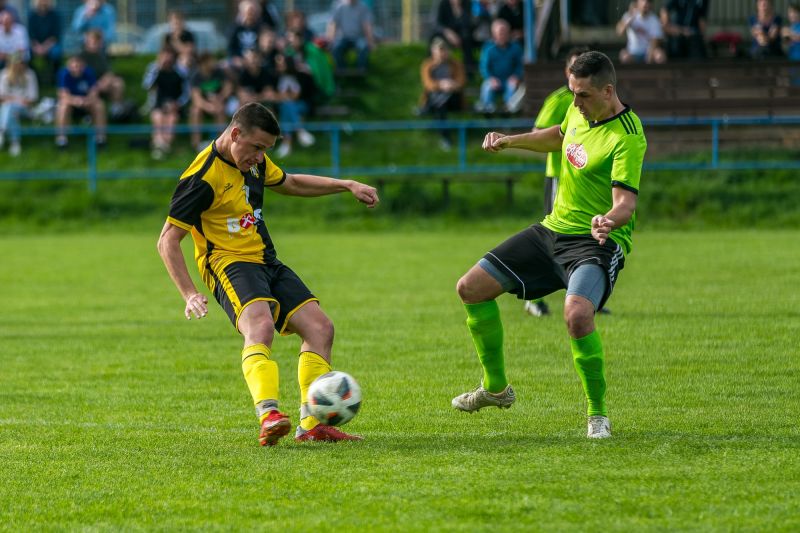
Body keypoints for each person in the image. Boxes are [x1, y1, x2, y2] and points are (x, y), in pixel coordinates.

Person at [156, 102, 379, 446]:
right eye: (257, 148)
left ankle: (312, 425)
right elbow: (168, 240)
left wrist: (345, 184)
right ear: (235, 134)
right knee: (260, 325)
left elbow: (290, 183)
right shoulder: (201, 178)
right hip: (227, 264)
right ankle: (269, 414)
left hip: (265, 259)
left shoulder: (253, 161)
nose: (260, 158)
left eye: (266, 150)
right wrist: (189, 293)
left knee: (320, 328)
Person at [452, 51, 646, 439]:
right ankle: (495, 389)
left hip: (595, 243)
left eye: (583, 95)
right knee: (470, 287)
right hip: (551, 231)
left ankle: (598, 415)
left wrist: (609, 219)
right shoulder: (579, 110)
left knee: (576, 316)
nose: (575, 102)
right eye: (573, 92)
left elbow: (626, 202)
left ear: (608, 91)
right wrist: (511, 141)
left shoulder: (627, 135)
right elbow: (559, 136)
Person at [522, 46, 588, 318]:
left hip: (586, 181)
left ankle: (587, 296)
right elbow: (539, 133)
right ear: (566, 72)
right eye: (575, 68)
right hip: (560, 178)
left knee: (586, 238)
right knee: (554, 239)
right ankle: (532, 296)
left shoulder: (597, 101)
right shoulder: (560, 100)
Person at [418, 37, 466, 151]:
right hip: (437, 98)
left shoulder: (455, 64)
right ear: (433, 51)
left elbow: (461, 81)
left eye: (444, 50)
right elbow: (427, 83)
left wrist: (450, 85)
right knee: (440, 104)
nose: (442, 53)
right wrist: (441, 84)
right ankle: (445, 138)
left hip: (453, 98)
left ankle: (445, 138)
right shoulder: (427, 65)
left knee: (440, 101)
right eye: (439, 50)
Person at [143, 46, 189, 159]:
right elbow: (147, 86)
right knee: (158, 117)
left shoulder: (180, 71)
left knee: (171, 119)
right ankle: (161, 146)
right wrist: (158, 68)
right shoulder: (154, 68)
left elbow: (187, 92)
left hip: (175, 105)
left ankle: (162, 146)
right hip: (159, 104)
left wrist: (178, 104)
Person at [54, 54, 106, 148]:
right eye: (73, 66)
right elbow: (62, 94)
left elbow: (94, 91)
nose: (76, 69)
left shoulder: (89, 72)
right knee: (62, 106)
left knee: (99, 105)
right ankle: (61, 139)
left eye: (78, 66)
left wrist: (87, 100)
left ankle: (100, 137)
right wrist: (75, 101)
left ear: (83, 66)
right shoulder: (63, 74)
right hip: (71, 102)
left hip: (87, 101)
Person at [476, 18, 523, 113]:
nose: (502, 35)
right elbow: (484, 67)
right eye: (500, 33)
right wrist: (490, 78)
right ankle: (488, 111)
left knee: (513, 86)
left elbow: (520, 65)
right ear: (494, 34)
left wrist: (516, 76)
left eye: (504, 33)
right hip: (494, 80)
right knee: (487, 87)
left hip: (509, 79)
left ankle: (509, 111)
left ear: (508, 33)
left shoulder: (516, 48)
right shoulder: (488, 49)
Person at [189, 52, 233, 150]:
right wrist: (209, 106)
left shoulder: (219, 72)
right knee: (195, 111)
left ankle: (222, 144)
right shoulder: (195, 76)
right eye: (210, 61)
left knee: (220, 109)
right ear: (203, 64)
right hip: (203, 105)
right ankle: (196, 144)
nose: (213, 62)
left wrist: (220, 98)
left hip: (218, 102)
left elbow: (228, 88)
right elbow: (196, 98)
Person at [79, 29, 126, 119]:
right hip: (87, 87)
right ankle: (88, 114)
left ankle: (115, 111)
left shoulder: (102, 55)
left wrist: (104, 82)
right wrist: (95, 85)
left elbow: (108, 72)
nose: (98, 44)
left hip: (101, 85)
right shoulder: (81, 56)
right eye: (94, 41)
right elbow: (80, 76)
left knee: (118, 83)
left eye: (99, 41)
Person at [0, 54, 38, 157]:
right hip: (9, 107)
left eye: (20, 63)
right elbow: (1, 97)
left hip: (26, 109)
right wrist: (16, 100)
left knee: (9, 107)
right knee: (11, 109)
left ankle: (2, 131)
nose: (18, 66)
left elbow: (32, 99)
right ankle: (15, 142)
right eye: (16, 63)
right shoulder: (4, 75)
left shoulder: (30, 75)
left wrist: (13, 100)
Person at [327, 0, 375, 73]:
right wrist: (330, 41)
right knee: (336, 48)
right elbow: (333, 24)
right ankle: (342, 70)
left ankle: (361, 70)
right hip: (343, 38)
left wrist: (370, 42)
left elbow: (367, 25)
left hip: (358, 37)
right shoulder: (339, 6)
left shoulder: (363, 7)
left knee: (364, 47)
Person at [617, 0, 666, 64]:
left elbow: (655, 41)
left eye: (648, 1)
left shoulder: (654, 19)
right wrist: (629, 20)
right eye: (643, 1)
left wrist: (649, 57)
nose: (645, 3)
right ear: (637, 2)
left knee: (660, 56)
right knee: (624, 56)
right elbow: (619, 32)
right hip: (632, 53)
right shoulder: (629, 15)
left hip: (648, 53)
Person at [28, 0, 63, 86]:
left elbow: (56, 35)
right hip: (36, 45)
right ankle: (34, 78)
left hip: (51, 44)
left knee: (56, 52)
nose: (43, 3)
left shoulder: (55, 16)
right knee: (27, 54)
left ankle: (55, 78)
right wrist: (37, 47)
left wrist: (45, 47)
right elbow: (31, 34)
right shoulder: (32, 16)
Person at [164, 10, 196, 74]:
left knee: (185, 60)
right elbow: (165, 51)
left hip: (186, 59)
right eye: (174, 22)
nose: (176, 24)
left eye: (178, 22)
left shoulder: (188, 34)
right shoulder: (168, 36)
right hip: (172, 59)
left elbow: (188, 50)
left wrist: (175, 41)